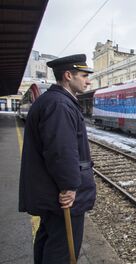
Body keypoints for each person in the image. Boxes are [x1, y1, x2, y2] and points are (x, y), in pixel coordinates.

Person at [19, 54, 96, 263]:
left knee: (48, 238)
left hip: (48, 191)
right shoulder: (60, 105)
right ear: (68, 75)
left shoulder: (53, 101)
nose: (88, 80)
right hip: (60, 196)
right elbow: (61, 151)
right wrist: (70, 187)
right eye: (83, 75)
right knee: (61, 250)